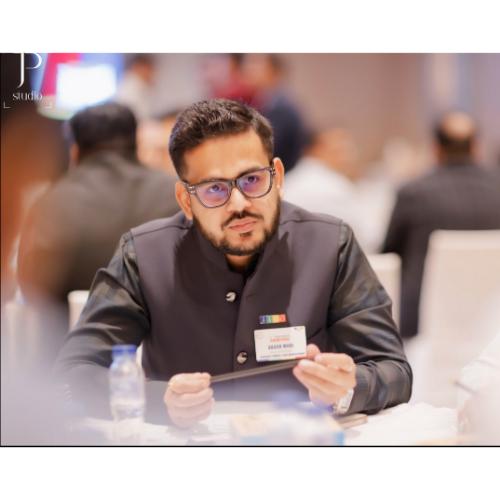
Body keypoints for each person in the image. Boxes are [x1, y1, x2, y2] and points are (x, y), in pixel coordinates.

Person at [56, 99, 411, 429]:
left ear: (278, 177)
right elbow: (72, 374)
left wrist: (348, 386)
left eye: (252, 180)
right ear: (185, 200)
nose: (239, 204)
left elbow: (393, 370)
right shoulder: (144, 254)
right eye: (214, 189)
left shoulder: (330, 244)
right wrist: (159, 400)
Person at [17, 103, 179, 324]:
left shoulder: (51, 201)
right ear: (135, 142)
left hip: (70, 333)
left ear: (75, 149)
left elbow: (31, 287)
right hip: (159, 331)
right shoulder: (174, 192)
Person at [382, 111, 500, 338]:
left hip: (422, 326)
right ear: (476, 147)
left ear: (435, 149)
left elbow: (390, 255)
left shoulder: (413, 193)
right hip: (493, 325)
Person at [285, 128, 384, 253]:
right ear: (317, 149)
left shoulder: (290, 180)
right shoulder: (332, 185)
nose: (347, 157)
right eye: (339, 150)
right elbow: (369, 238)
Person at [242, 54, 307, 173]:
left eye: (255, 64)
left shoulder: (281, 106)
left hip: (286, 176)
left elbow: (268, 147)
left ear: (273, 71)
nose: (248, 68)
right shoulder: (267, 101)